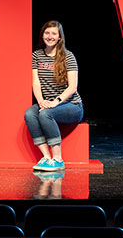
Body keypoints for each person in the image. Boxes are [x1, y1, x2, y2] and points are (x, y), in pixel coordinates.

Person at [23, 21, 84, 171]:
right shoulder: (37, 55)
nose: (49, 36)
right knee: (30, 114)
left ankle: (58, 159)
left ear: (59, 38)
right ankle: (46, 157)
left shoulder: (68, 57)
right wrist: (41, 101)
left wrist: (55, 102)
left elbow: (72, 87)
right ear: (42, 35)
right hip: (48, 103)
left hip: (72, 106)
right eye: (47, 33)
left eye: (53, 34)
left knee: (45, 114)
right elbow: (36, 82)